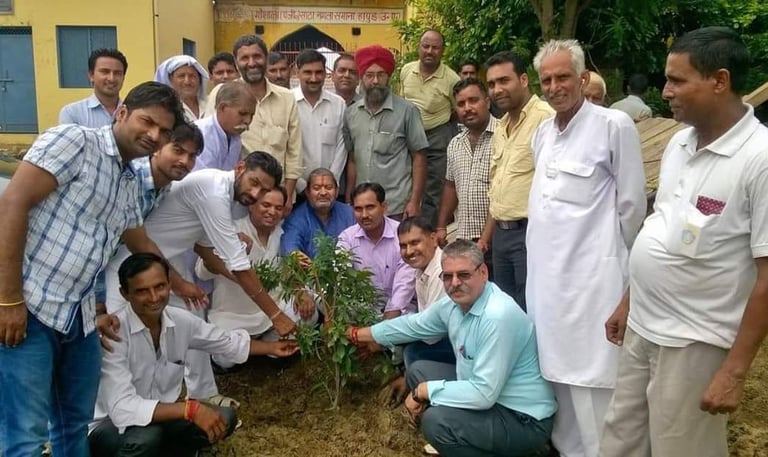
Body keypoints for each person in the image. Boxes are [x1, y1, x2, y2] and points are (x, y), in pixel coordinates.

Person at [599, 27, 768, 457]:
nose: (665, 91)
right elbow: (662, 227)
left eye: (677, 80)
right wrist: (629, 301)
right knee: (620, 442)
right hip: (643, 327)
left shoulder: (760, 158)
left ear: (720, 80)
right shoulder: (679, 143)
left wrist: (734, 371)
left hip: (694, 341)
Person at [0, 81, 184, 457]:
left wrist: (177, 285)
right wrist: (8, 299)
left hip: (79, 319)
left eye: (164, 131)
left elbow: (139, 244)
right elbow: (12, 204)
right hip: (31, 307)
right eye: (147, 122)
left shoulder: (130, 182)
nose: (154, 135)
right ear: (122, 113)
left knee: (74, 424)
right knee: (25, 435)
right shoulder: (75, 142)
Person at [528, 39, 647, 457]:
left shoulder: (614, 125)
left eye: (563, 77)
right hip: (547, 284)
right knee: (556, 374)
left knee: (596, 379)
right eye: (546, 80)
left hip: (596, 281)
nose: (554, 87)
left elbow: (632, 207)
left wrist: (629, 280)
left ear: (582, 78)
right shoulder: (543, 133)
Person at [102, 152, 296, 407]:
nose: (256, 193)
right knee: (118, 336)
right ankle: (115, 410)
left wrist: (245, 282)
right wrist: (276, 315)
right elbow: (239, 266)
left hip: (168, 264)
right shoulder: (214, 192)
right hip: (132, 265)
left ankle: (203, 394)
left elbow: (205, 250)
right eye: (254, 182)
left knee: (193, 322)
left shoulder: (225, 197)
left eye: (264, 190)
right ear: (240, 168)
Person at [348, 239, 557, 457]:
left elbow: (484, 393)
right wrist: (359, 334)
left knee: (436, 423)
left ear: (483, 272)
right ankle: (467, 438)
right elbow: (412, 325)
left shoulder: (497, 316)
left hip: (522, 419)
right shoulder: (455, 305)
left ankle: (519, 451)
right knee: (418, 370)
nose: (455, 283)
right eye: (447, 276)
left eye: (463, 275)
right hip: (492, 398)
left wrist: (424, 391)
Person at [89, 253, 297, 457]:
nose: (153, 297)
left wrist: (271, 348)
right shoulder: (113, 333)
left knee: (225, 417)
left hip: (160, 420)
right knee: (146, 438)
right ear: (125, 294)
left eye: (159, 287)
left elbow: (225, 341)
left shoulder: (180, 320)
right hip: (110, 426)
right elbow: (122, 409)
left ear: (169, 284)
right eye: (142, 291)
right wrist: (190, 410)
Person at [478, 51, 554, 309]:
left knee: (532, 308)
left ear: (523, 80)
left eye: (504, 81)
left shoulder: (545, 118)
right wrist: (487, 237)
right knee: (507, 309)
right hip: (502, 235)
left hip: (530, 233)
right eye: (491, 84)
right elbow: (499, 187)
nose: (497, 90)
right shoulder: (501, 126)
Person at [196, 187, 317, 342]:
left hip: (272, 311)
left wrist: (301, 292)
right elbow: (202, 272)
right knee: (225, 351)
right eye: (266, 205)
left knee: (308, 313)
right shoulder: (232, 231)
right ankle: (258, 347)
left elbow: (288, 274)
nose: (272, 212)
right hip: (233, 316)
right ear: (251, 206)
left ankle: (269, 347)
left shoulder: (281, 234)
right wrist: (225, 251)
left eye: (278, 208)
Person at [207, 35, 301, 214]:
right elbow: (211, 142)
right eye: (244, 58)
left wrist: (287, 196)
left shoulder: (287, 98)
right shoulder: (222, 93)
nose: (251, 63)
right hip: (236, 196)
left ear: (266, 58)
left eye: (257, 56)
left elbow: (294, 152)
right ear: (236, 62)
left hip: (276, 198)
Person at [344, 45, 428, 219]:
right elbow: (352, 159)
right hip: (362, 206)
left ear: (388, 77)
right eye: (369, 75)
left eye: (381, 75)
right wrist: (349, 196)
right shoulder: (351, 113)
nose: (375, 81)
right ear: (361, 77)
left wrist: (414, 201)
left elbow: (419, 158)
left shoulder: (407, 111)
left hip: (396, 205)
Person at [436, 78, 496, 278]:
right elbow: (451, 186)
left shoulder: (504, 135)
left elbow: (504, 192)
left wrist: (486, 237)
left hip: (499, 239)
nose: (467, 108)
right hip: (465, 239)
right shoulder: (455, 143)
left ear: (487, 101)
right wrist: (441, 226)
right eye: (461, 104)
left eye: (473, 100)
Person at [400, 29, 461, 223]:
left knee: (434, 187)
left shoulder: (452, 79)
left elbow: (457, 110)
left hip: (436, 137)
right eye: (425, 46)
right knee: (406, 182)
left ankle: (428, 229)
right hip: (407, 136)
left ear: (442, 51)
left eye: (435, 48)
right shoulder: (406, 70)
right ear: (418, 47)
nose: (429, 51)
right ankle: (404, 227)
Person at [337, 182, 417, 319]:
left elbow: (404, 285)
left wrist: (386, 323)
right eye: (358, 209)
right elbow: (339, 276)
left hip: (400, 314)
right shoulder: (347, 238)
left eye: (370, 207)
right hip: (361, 313)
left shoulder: (402, 235)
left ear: (383, 207)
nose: (364, 215)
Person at [396, 216, 453, 368]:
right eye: (403, 246)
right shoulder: (423, 267)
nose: (409, 251)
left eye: (415, 243)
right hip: (442, 335)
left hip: (463, 343)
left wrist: (385, 335)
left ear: (433, 239)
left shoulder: (441, 271)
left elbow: (431, 335)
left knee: (413, 353)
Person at [292, 49, 347, 195]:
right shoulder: (287, 102)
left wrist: (330, 184)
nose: (314, 78)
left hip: (329, 192)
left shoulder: (338, 104)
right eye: (308, 72)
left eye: (318, 72)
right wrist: (302, 186)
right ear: (297, 73)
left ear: (325, 73)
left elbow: (341, 147)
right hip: (296, 190)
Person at [281, 168, 355, 260]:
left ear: (337, 192)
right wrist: (300, 260)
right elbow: (290, 248)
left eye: (328, 187)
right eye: (316, 188)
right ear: (307, 192)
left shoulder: (351, 214)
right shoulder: (296, 219)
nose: (323, 193)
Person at [193, 81, 257, 171]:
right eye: (242, 113)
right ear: (222, 107)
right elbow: (202, 176)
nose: (248, 121)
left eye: (251, 115)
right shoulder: (200, 134)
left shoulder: (235, 138)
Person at [59, 48, 127, 127]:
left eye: (117, 73)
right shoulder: (72, 113)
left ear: (123, 77)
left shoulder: (132, 113)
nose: (111, 78)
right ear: (91, 75)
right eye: (105, 72)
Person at [154, 55, 210, 121]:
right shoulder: (166, 109)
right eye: (181, 76)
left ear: (199, 79)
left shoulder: (210, 103)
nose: (187, 82)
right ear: (171, 80)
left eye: (192, 76)